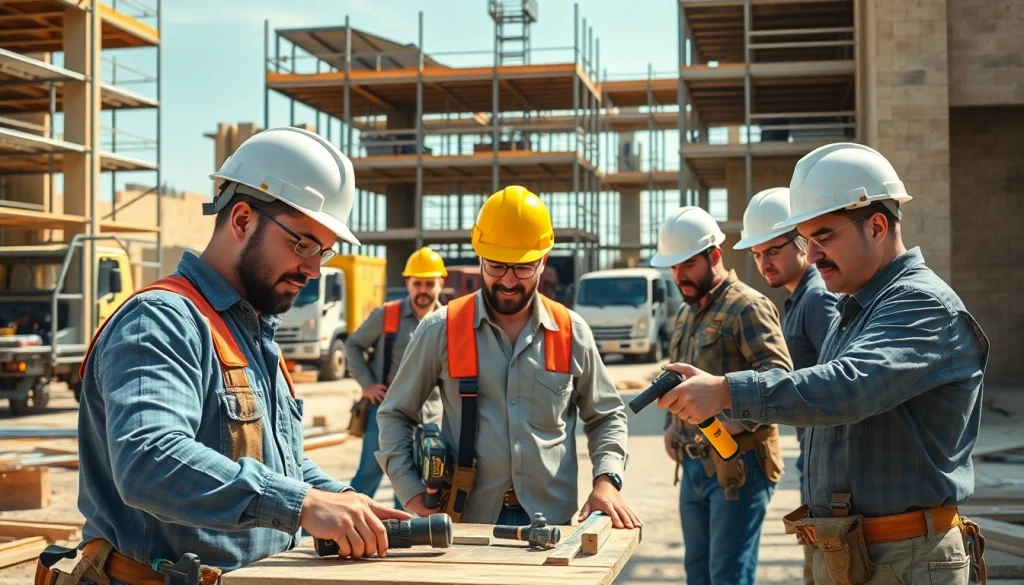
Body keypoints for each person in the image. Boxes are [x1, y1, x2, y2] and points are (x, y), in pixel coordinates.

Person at [37, 128, 410, 585]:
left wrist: (341, 500)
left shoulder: (252, 334)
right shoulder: (161, 320)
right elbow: (148, 460)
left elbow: (279, 464)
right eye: (304, 244)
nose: (314, 269)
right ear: (242, 220)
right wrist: (302, 505)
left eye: (324, 252)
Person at [656, 143, 990, 585]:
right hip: (854, 550)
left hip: (903, 558)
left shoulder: (920, 304)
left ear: (876, 226)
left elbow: (849, 388)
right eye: (808, 240)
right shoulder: (855, 309)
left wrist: (726, 391)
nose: (812, 255)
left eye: (824, 237)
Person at [375, 186, 642, 530]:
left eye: (523, 268)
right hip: (468, 521)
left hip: (551, 520)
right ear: (480, 257)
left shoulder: (571, 331)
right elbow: (395, 413)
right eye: (497, 266)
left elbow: (606, 415)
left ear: (543, 260)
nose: (509, 281)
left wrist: (607, 480)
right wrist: (410, 492)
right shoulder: (442, 328)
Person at [649, 205, 793, 585]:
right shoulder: (687, 312)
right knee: (697, 574)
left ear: (715, 255)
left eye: (688, 264)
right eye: (673, 267)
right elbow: (677, 378)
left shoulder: (747, 307)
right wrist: (670, 426)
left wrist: (735, 421)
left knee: (727, 576)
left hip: (739, 467)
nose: (679, 276)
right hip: (693, 464)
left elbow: (779, 380)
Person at [732, 187, 840, 585]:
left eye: (773, 251)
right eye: (756, 254)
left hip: (831, 464)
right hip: (813, 457)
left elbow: (839, 383)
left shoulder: (818, 300)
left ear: (803, 243)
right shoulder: (798, 300)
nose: (764, 263)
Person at [343, 247, 447, 508]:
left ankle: (406, 527)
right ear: (408, 283)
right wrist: (368, 385)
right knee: (368, 475)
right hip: (386, 412)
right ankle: (348, 520)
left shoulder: (449, 321)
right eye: (417, 283)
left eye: (429, 284)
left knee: (418, 483)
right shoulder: (387, 315)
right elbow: (353, 345)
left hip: (431, 418)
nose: (423, 290)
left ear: (440, 284)